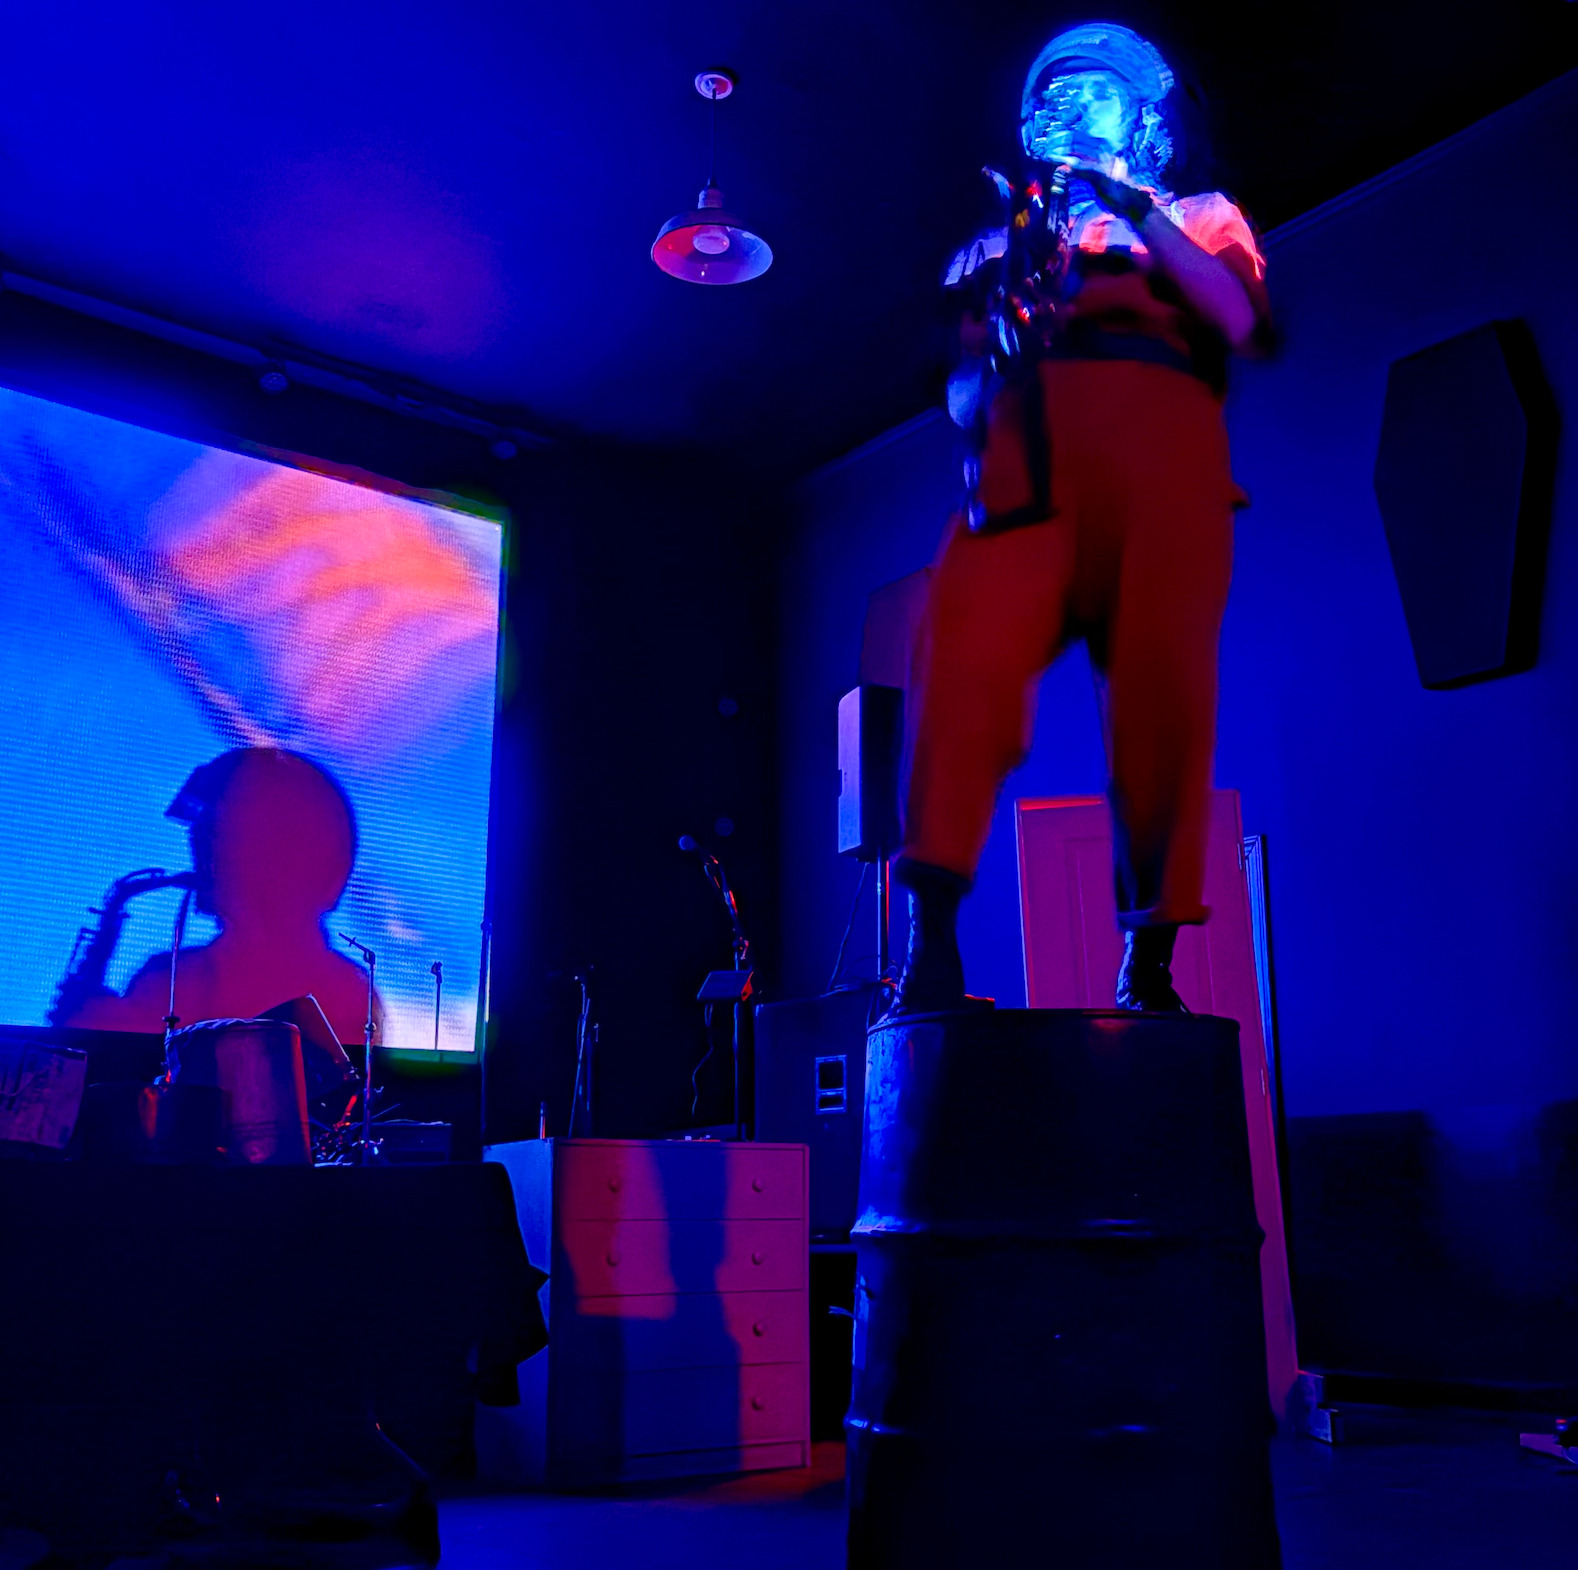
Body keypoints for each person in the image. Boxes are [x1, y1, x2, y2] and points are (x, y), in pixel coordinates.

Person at [892, 21, 1271, 1015]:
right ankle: (929, 948)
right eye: (1051, 94)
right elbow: (960, 400)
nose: (1066, 103)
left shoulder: (1201, 215)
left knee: (1160, 705)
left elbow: (1235, 317)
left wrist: (1132, 213)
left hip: (1161, 473)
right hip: (1024, 475)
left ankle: (1151, 962)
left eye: (1091, 88)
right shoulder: (997, 243)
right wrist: (1002, 332)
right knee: (956, 674)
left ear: (1141, 117)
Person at [63, 747, 380, 1048]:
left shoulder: (172, 982)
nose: (199, 855)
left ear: (271, 845)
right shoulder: (353, 991)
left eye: (215, 835)